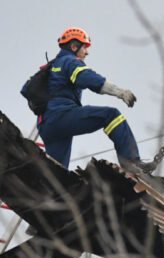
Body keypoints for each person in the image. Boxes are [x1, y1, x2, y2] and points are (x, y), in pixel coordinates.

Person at [27, 27, 155, 173]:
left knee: (56, 173)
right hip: (61, 116)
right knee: (112, 115)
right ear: (74, 46)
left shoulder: (52, 66)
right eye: (84, 47)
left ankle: (46, 193)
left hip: (46, 125)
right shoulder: (69, 61)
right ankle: (131, 162)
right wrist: (120, 92)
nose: (87, 52)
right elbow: (88, 78)